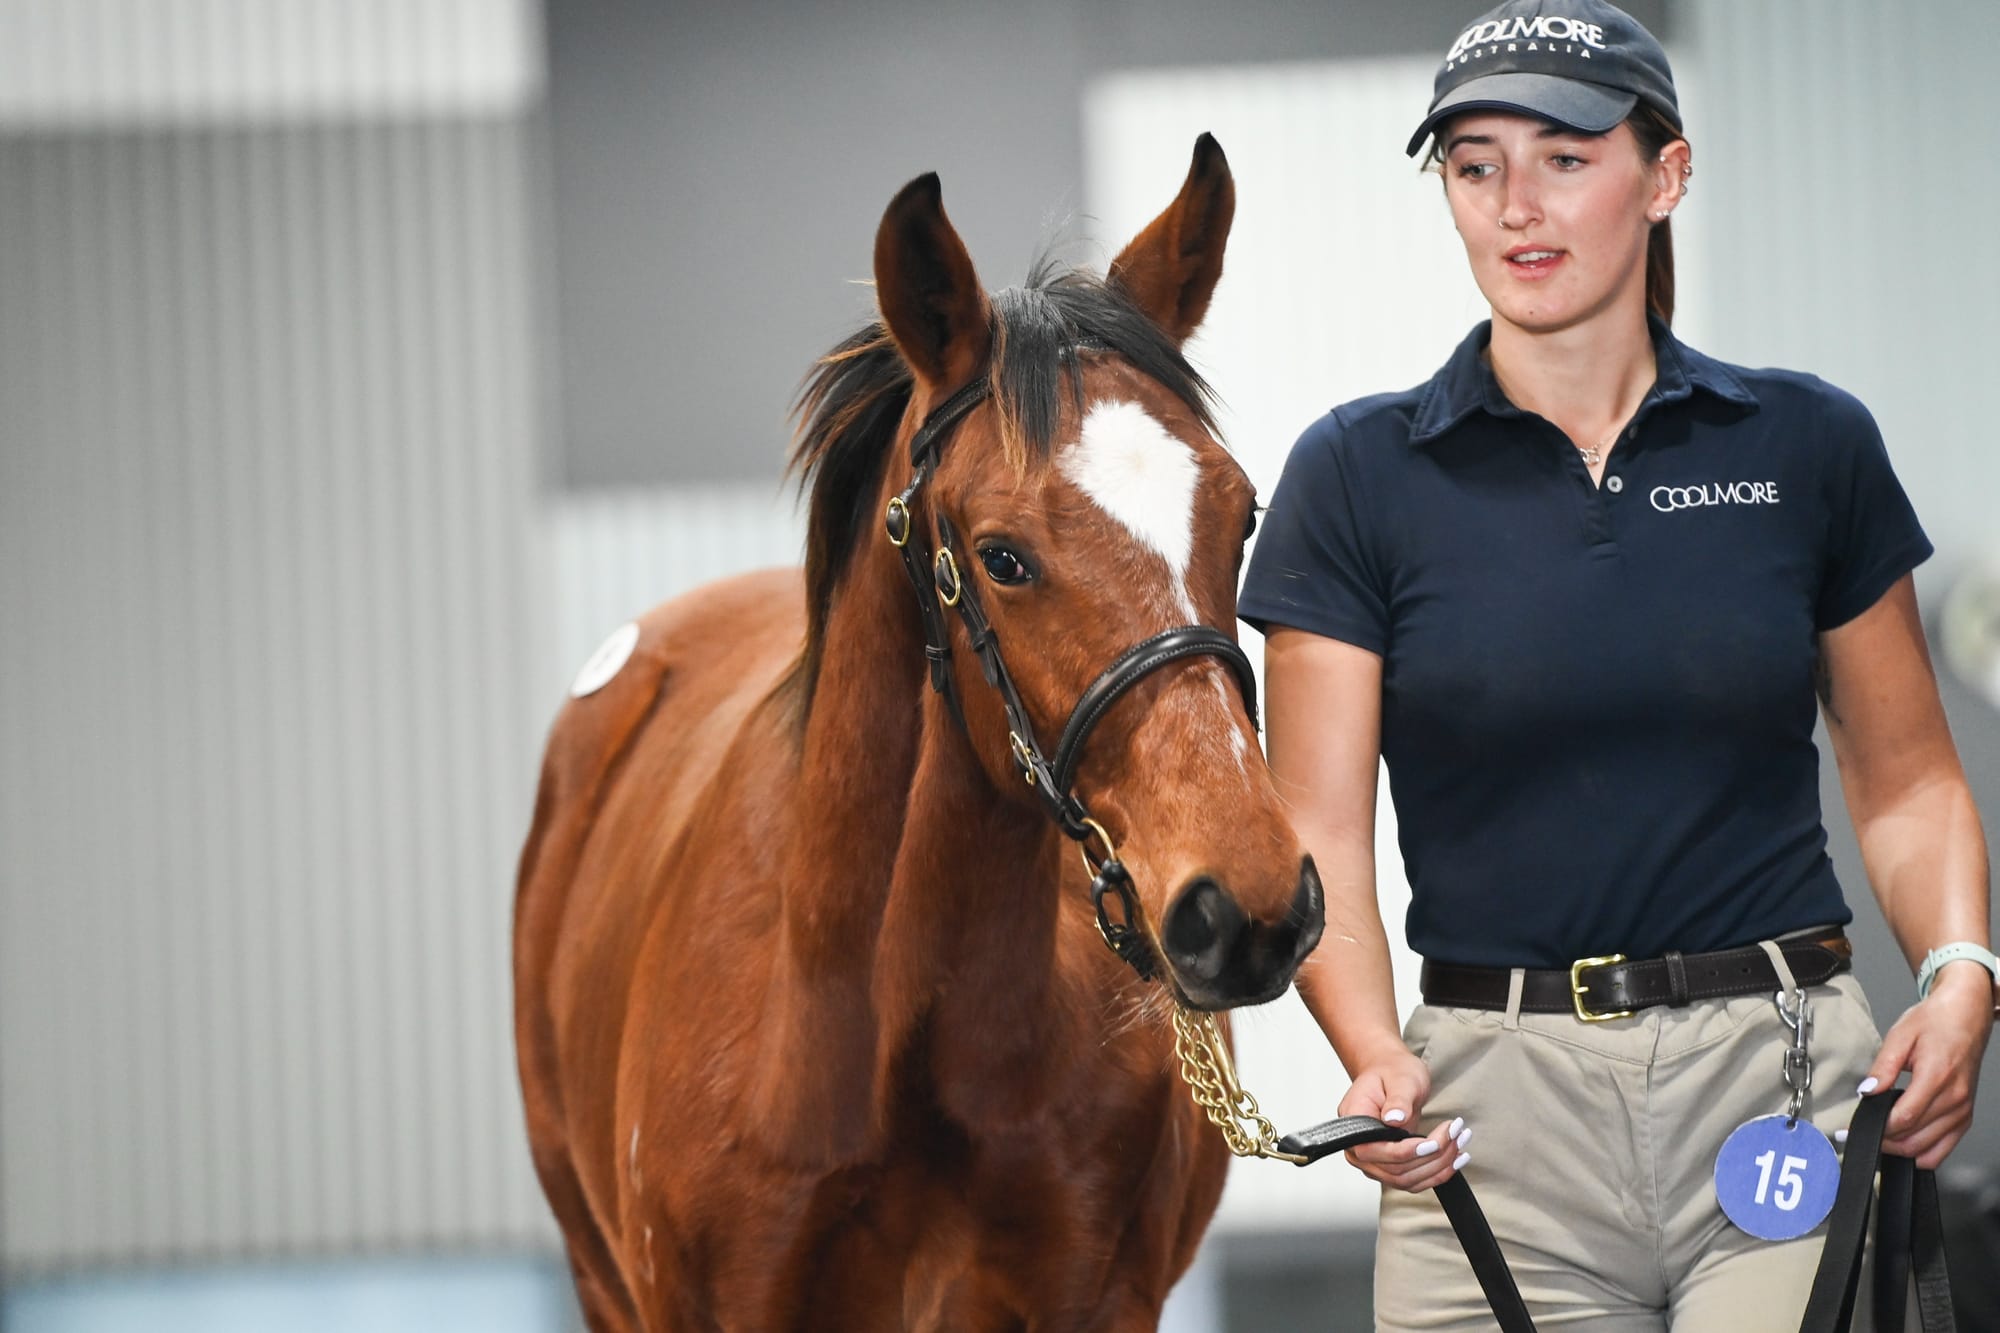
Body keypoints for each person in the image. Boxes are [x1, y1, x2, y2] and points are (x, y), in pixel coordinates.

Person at [1237, 1, 1996, 1327]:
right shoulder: (1354, 477)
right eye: (1475, 164)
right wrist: (1370, 1058)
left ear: (1667, 175)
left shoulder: (1808, 446)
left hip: (1777, 1087)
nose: (1515, 205)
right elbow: (1317, 834)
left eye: (1566, 156)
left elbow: (1908, 782)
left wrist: (1961, 972)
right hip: (1485, 1120)